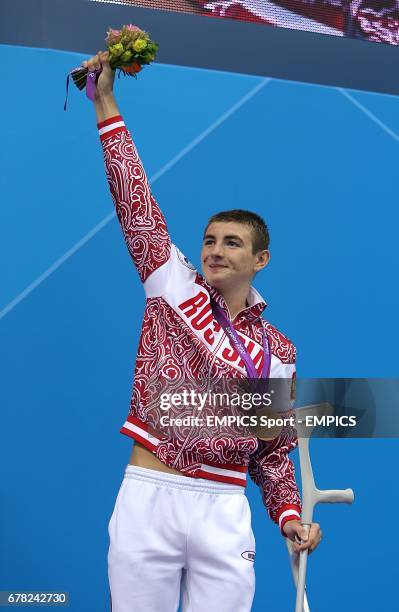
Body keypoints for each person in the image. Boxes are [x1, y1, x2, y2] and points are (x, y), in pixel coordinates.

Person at [82, 50, 322, 612]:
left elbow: (273, 449)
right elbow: (134, 199)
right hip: (151, 494)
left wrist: (290, 516)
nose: (214, 250)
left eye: (231, 243)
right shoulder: (171, 284)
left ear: (260, 260)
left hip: (225, 504)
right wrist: (107, 104)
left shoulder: (278, 350)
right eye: (210, 240)